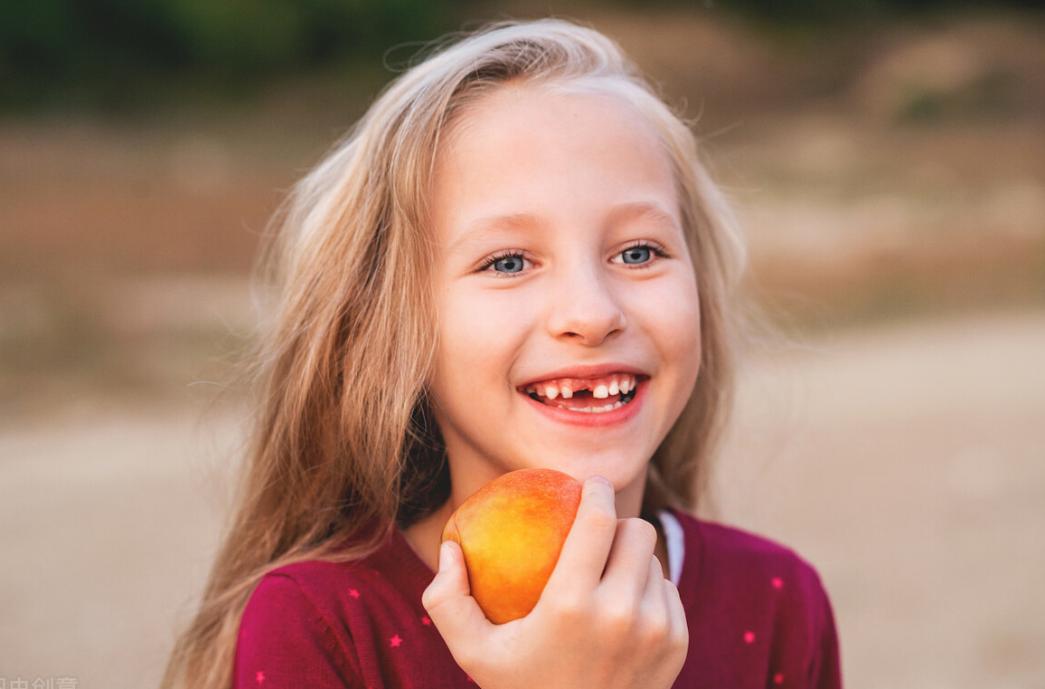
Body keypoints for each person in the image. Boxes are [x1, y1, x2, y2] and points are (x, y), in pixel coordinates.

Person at [161, 17, 843, 689]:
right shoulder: (320, 626)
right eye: (508, 261)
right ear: (391, 324)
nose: (591, 314)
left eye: (639, 252)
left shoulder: (778, 604)